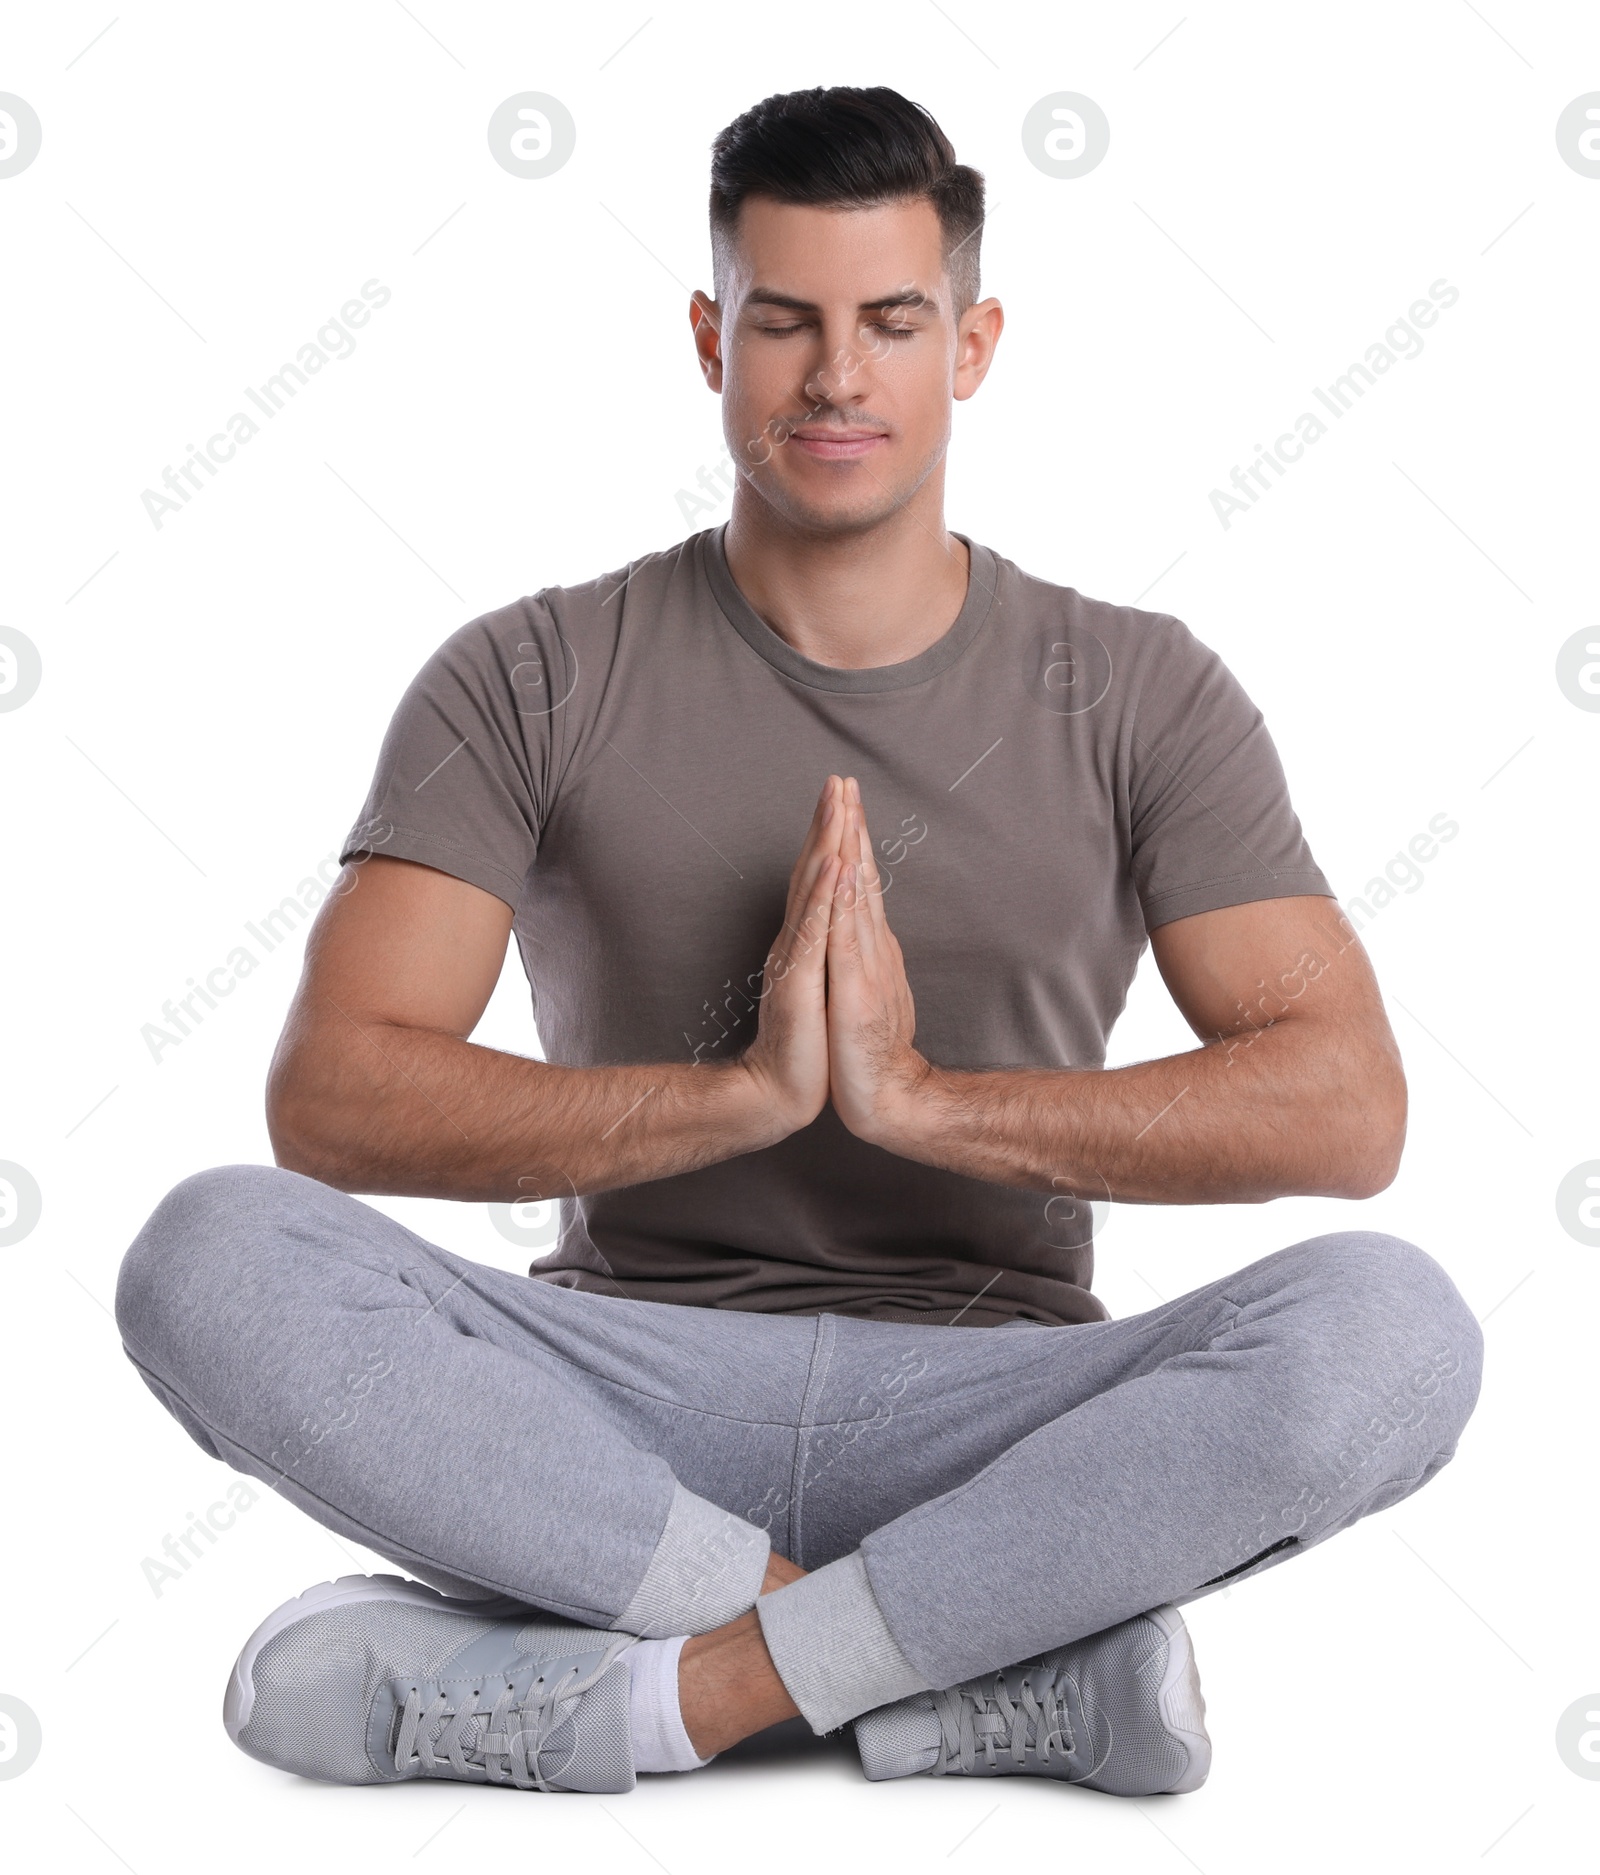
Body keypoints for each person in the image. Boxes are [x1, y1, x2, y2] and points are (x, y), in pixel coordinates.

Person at [115, 85, 1481, 1799]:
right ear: (712, 337)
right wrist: (745, 1096)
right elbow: (330, 1098)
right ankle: (961, 1671)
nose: (839, 377)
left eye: (893, 323)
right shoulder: (533, 671)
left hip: (1004, 1420)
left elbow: (1347, 1110)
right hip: (619, 1404)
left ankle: (650, 1704)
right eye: (787, 322)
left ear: (970, 346)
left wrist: (920, 1102)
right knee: (207, 1253)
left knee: (1398, 1329)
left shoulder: (1141, 691)